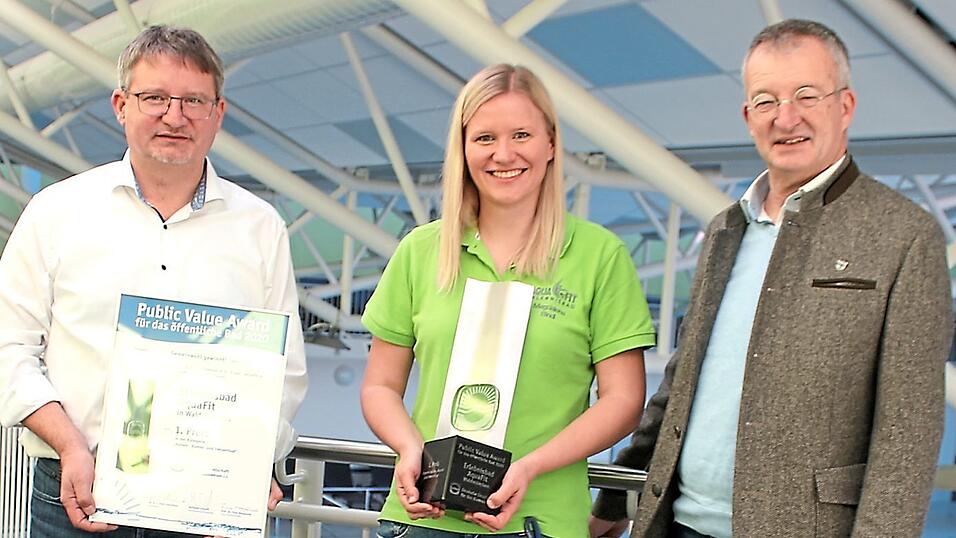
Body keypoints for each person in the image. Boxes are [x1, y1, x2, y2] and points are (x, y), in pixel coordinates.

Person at [590, 19, 953, 538]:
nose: (786, 117)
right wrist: (612, 503)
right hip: (679, 524)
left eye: (807, 95)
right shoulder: (726, 228)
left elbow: (907, 435)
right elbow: (680, 385)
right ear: (748, 116)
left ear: (845, 106)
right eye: (766, 101)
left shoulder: (903, 235)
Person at [0, 25, 308, 537]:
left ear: (218, 113)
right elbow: (8, 348)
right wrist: (70, 445)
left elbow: (284, 371)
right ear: (121, 105)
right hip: (77, 488)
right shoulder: (56, 212)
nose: (175, 116)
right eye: (155, 97)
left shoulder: (260, 227)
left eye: (194, 101)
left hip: (206, 501)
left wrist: (249, 461)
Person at [360, 63, 656, 537]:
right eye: (484, 138)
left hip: (541, 521)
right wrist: (408, 447)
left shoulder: (600, 256)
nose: (503, 154)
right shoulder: (420, 251)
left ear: (551, 144)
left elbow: (623, 400)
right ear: (462, 149)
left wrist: (533, 466)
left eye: (521, 135)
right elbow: (379, 386)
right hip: (421, 519)